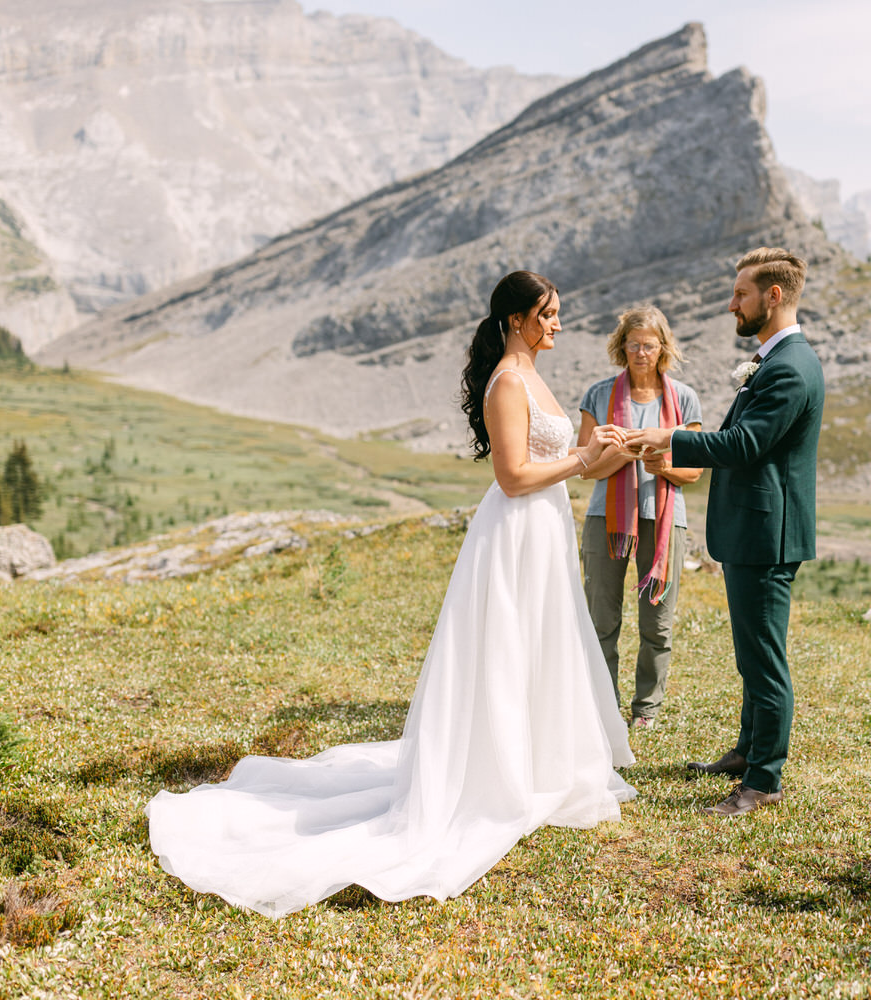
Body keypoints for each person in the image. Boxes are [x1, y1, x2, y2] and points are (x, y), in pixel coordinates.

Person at [148, 271, 635, 917]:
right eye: (549, 314)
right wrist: (582, 460)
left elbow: (569, 461)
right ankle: (500, 774)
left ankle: (539, 763)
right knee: (507, 650)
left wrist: (616, 452)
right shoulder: (509, 383)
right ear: (517, 319)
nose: (559, 324)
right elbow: (515, 476)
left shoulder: (537, 377)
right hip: (515, 530)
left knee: (541, 648)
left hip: (543, 530)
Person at [624, 247, 824, 818]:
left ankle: (764, 779)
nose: (731, 303)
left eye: (740, 294)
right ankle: (747, 749)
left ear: (774, 296)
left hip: (768, 535)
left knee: (763, 657)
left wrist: (669, 439)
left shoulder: (790, 366)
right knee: (750, 653)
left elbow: (746, 445)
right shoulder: (774, 359)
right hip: (754, 530)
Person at [577, 305, 702, 728]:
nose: (641, 353)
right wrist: (619, 455)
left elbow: (695, 469)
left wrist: (662, 466)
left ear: (662, 348)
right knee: (602, 619)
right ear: (622, 347)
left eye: (649, 346)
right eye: (633, 345)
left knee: (658, 622)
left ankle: (646, 709)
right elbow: (584, 465)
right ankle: (602, 706)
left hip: (665, 520)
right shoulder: (598, 394)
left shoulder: (684, 398)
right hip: (604, 519)